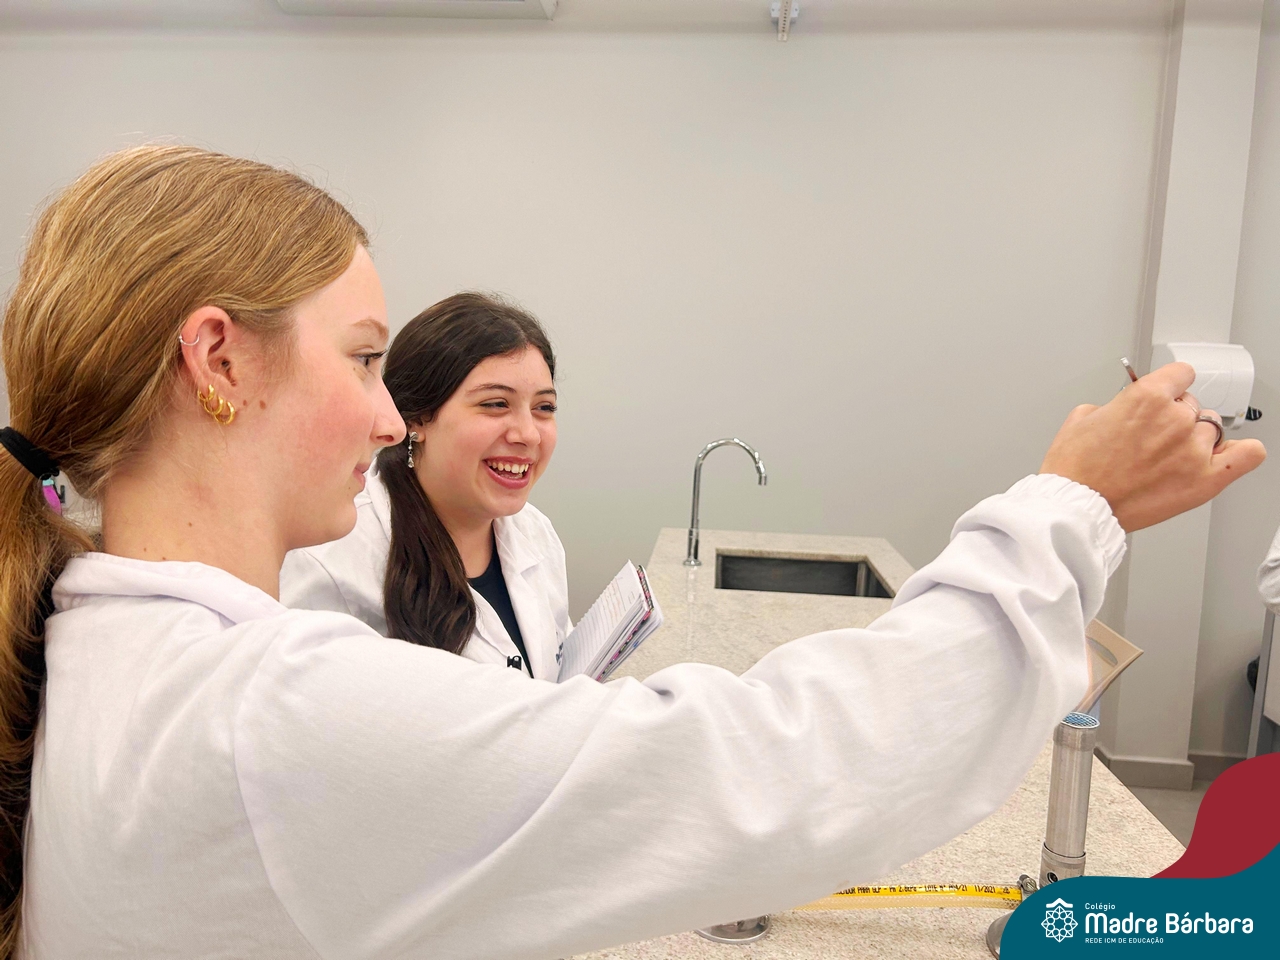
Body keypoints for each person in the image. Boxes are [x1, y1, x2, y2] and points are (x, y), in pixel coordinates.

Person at [0, 145, 1264, 960]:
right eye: (367, 359)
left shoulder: (107, 650)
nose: (389, 419)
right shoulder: (263, 713)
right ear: (218, 361)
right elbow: (778, 767)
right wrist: (1067, 506)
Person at [280, 294, 568, 679]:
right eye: (496, 404)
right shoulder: (333, 561)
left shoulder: (536, 533)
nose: (528, 434)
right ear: (416, 419)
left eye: (544, 408)